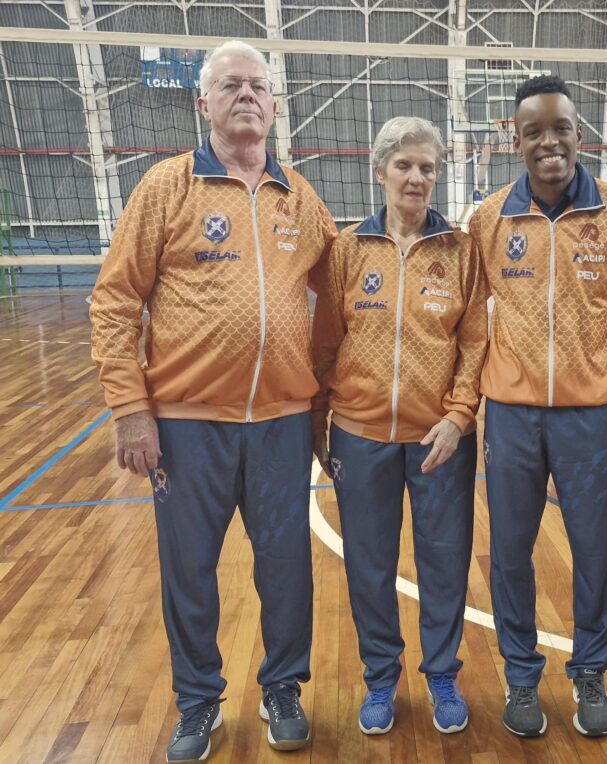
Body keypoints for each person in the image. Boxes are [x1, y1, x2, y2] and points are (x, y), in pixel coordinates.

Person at [89, 40, 337, 762]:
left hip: (283, 424)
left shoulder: (301, 198)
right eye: (231, 86)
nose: (247, 96)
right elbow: (113, 301)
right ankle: (198, 702)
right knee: (190, 571)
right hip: (187, 427)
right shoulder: (167, 188)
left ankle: (283, 687)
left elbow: (344, 296)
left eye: (258, 86)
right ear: (204, 104)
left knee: (287, 567)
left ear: (273, 104)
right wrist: (131, 408)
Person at [468, 74, 607, 738]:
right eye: (532, 131)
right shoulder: (489, 218)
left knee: (595, 552)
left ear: (578, 133)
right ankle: (521, 677)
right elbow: (463, 317)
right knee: (509, 553)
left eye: (559, 127)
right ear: (515, 139)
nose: (548, 141)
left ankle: (590, 674)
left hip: (590, 417)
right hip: (511, 416)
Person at [311, 116, 487, 737]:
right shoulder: (346, 250)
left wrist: (459, 416)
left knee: (444, 562)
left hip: (438, 440)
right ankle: (381, 677)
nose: (417, 177)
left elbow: (474, 344)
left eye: (428, 167)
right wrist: (318, 423)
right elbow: (326, 342)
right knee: (369, 564)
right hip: (359, 436)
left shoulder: (462, 251)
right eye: (405, 165)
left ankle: (441, 673)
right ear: (379, 170)